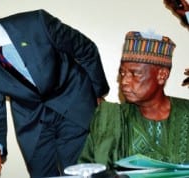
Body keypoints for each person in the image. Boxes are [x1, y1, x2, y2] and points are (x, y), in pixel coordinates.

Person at [0, 2, 110, 177]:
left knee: (78, 172)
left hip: (71, 102)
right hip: (32, 121)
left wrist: (96, 94)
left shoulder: (36, 24)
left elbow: (85, 49)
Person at [78, 31, 189, 168]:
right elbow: (86, 169)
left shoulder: (186, 112)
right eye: (122, 73)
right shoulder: (109, 119)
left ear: (162, 75)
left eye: (134, 74)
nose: (124, 81)